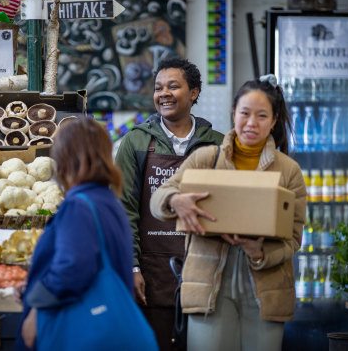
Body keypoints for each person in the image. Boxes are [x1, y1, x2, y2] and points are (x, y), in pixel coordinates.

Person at [149, 74, 307, 351]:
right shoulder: (205, 159)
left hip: (266, 293)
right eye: (245, 113)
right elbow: (157, 200)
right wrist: (176, 201)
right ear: (234, 113)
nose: (251, 123)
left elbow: (294, 240)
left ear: (273, 120)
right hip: (208, 288)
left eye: (261, 116)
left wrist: (260, 253)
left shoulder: (288, 170)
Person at [115, 57, 223, 349]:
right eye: (158, 87)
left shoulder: (217, 145)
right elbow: (124, 209)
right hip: (151, 274)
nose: (164, 93)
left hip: (207, 270)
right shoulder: (134, 142)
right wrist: (132, 268)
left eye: (173, 86)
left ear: (194, 92)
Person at [16, 117, 137, 350]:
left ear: (65, 158)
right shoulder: (108, 201)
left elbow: (72, 267)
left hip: (73, 330)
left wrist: (36, 307)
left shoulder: (80, 205)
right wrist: (30, 288)